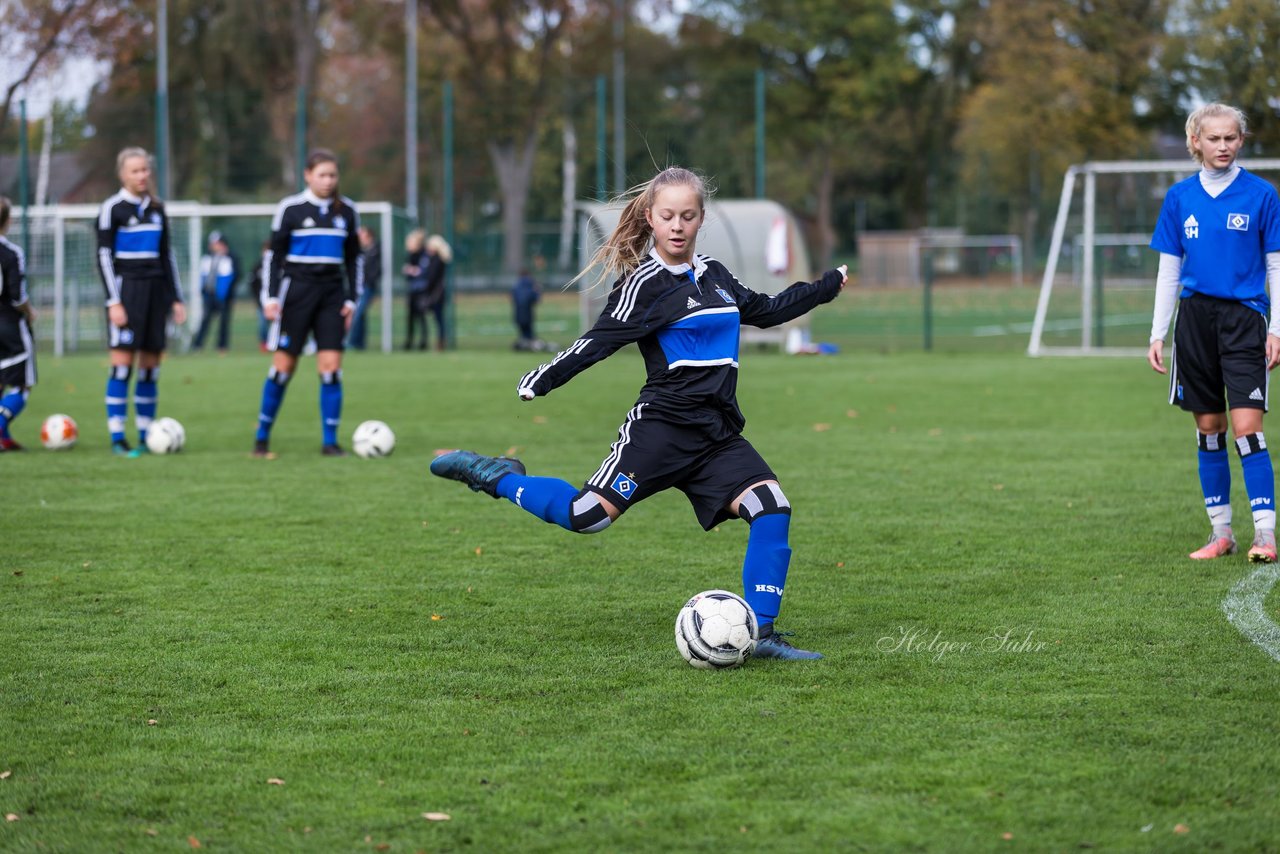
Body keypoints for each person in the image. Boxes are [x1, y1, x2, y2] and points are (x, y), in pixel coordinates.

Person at [430, 166, 847, 660]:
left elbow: (768, 308)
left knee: (772, 508)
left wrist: (826, 286)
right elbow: (597, 342)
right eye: (667, 215)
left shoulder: (715, 274)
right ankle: (496, 475)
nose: (677, 225)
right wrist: (543, 378)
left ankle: (762, 635)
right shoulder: (644, 285)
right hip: (660, 433)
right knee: (587, 517)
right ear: (650, 217)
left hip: (716, 436)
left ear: (700, 219)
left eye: (687, 216)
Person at [1148, 103, 1280, 563]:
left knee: (1248, 429)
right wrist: (1157, 333)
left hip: (1245, 320)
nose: (1222, 146)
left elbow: (1275, 265)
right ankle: (1222, 533)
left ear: (1241, 141)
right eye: (1214, 138)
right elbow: (1170, 269)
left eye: (1231, 138)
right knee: (1209, 428)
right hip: (1195, 321)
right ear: (1195, 143)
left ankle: (1266, 534)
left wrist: (1277, 328)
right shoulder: (1179, 198)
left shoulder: (1262, 195)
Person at [253, 149, 363, 457]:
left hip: (332, 294)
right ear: (308, 175)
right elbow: (273, 256)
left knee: (331, 369)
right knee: (283, 367)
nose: (328, 181)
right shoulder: (290, 209)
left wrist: (352, 299)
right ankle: (261, 437)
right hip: (297, 293)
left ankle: (330, 442)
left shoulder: (347, 211)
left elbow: (355, 259)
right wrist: (271, 297)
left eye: (333, 175)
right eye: (322, 175)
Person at [96, 146, 186, 456]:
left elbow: (166, 256)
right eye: (135, 170)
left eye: (145, 169)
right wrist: (114, 301)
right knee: (122, 367)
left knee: (150, 368)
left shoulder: (158, 209)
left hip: (156, 293)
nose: (142, 175)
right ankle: (118, 437)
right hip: (127, 291)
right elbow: (104, 256)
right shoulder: (113, 208)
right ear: (122, 174)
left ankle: (148, 435)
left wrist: (176, 298)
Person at [0, 196, 36, 452]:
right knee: (22, 384)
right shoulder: (11, 253)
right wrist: (30, 311)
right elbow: (16, 296)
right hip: (8, 325)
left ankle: (4, 436)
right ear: (8, 221)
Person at [191, 231, 239, 353]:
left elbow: (235, 276)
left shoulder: (231, 258)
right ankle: (197, 345)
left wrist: (225, 292)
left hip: (224, 297)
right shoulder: (207, 258)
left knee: (223, 321)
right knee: (205, 320)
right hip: (209, 295)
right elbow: (203, 276)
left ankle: (222, 346)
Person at [348, 225, 381, 350]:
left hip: (367, 287)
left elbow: (375, 271)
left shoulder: (375, 251)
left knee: (357, 314)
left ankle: (352, 343)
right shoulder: (362, 251)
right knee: (360, 315)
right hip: (360, 287)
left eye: (362, 235)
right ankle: (359, 344)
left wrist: (368, 281)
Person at [421, 234, 452, 350]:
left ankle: (440, 343)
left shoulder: (437, 260)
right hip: (437, 294)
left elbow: (431, 277)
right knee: (438, 319)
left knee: (439, 319)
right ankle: (440, 341)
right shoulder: (438, 259)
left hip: (436, 294)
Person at [403, 229, 429, 350]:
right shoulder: (410, 256)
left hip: (421, 291)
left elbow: (422, 271)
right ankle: (409, 342)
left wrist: (412, 270)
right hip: (412, 290)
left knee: (421, 317)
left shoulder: (424, 255)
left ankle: (423, 342)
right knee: (410, 317)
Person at [512, 261, 541, 349]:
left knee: (523, 333)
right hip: (528, 313)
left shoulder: (516, 285)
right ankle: (530, 347)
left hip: (518, 313)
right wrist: (538, 291)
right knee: (529, 333)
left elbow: (514, 298)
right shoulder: (531, 285)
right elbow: (535, 299)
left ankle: (523, 345)